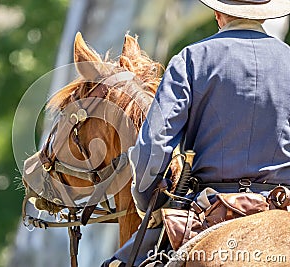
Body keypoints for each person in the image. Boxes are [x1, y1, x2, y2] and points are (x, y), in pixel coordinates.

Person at [102, 0, 290, 266]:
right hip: (282, 204)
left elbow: (154, 146)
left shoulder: (192, 59)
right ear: (264, 14)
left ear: (217, 13)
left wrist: (148, 201)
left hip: (209, 207)